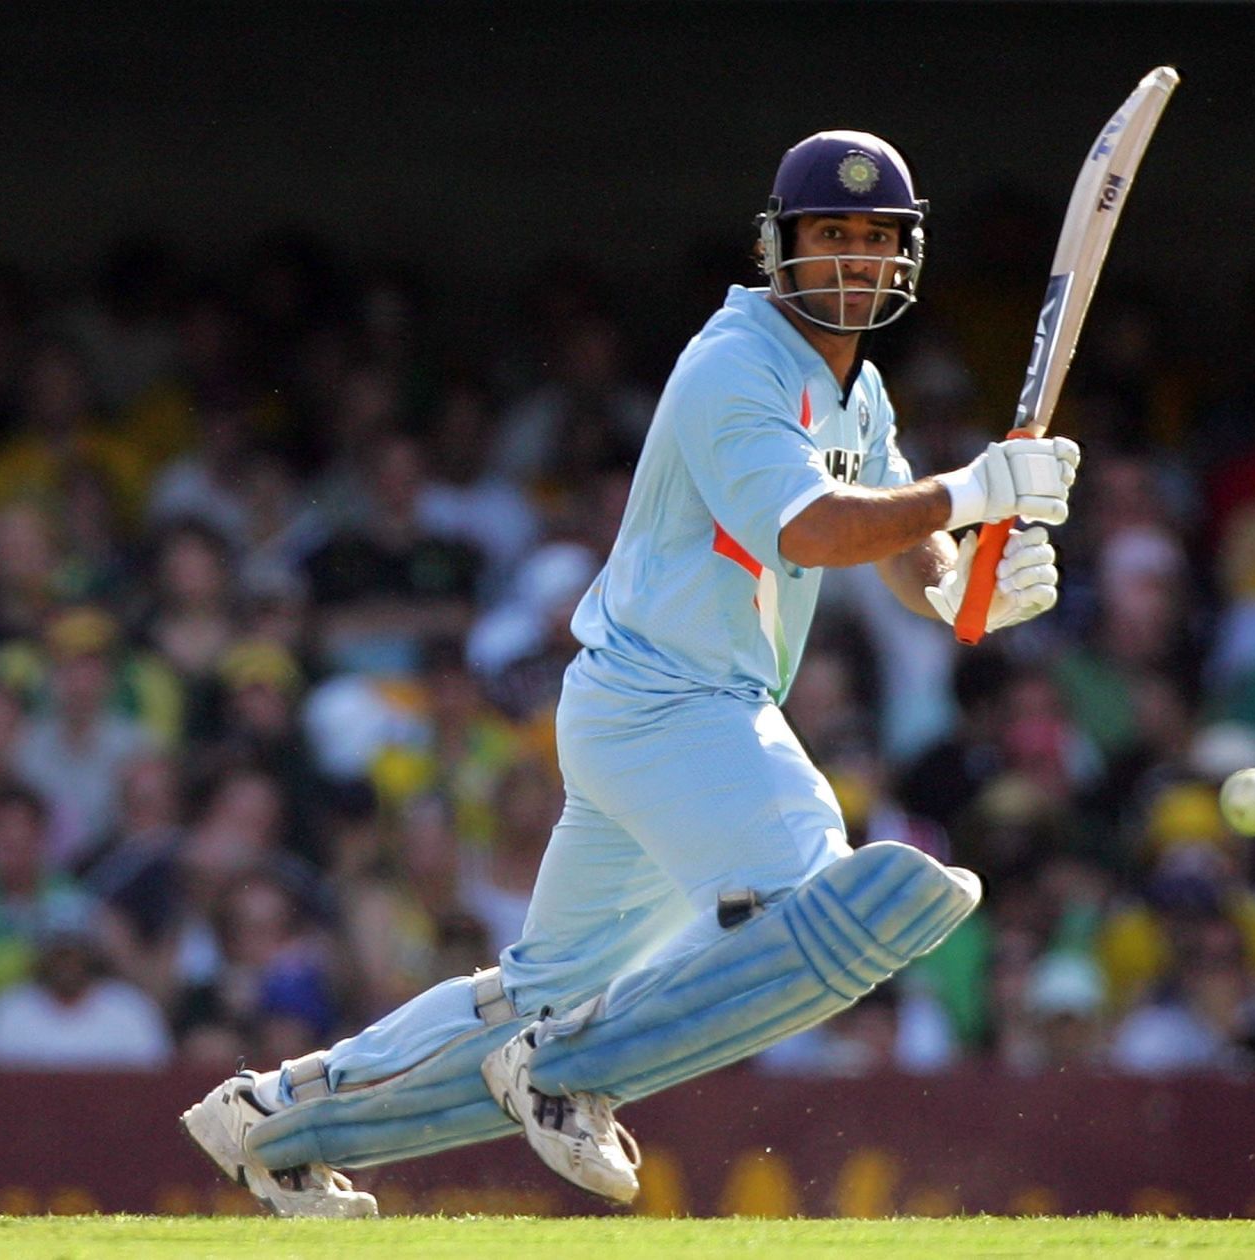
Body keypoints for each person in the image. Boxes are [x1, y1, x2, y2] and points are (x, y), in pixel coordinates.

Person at [182, 130, 1081, 1215]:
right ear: (777, 247)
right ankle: (568, 1074)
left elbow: (895, 542)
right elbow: (805, 530)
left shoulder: (862, 392)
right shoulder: (733, 363)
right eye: (828, 235)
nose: (852, 259)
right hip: (673, 701)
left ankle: (274, 1118)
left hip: (662, 708)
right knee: (815, 899)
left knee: (537, 989)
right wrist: (975, 491)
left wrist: (960, 588)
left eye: (874, 239)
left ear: (906, 258)